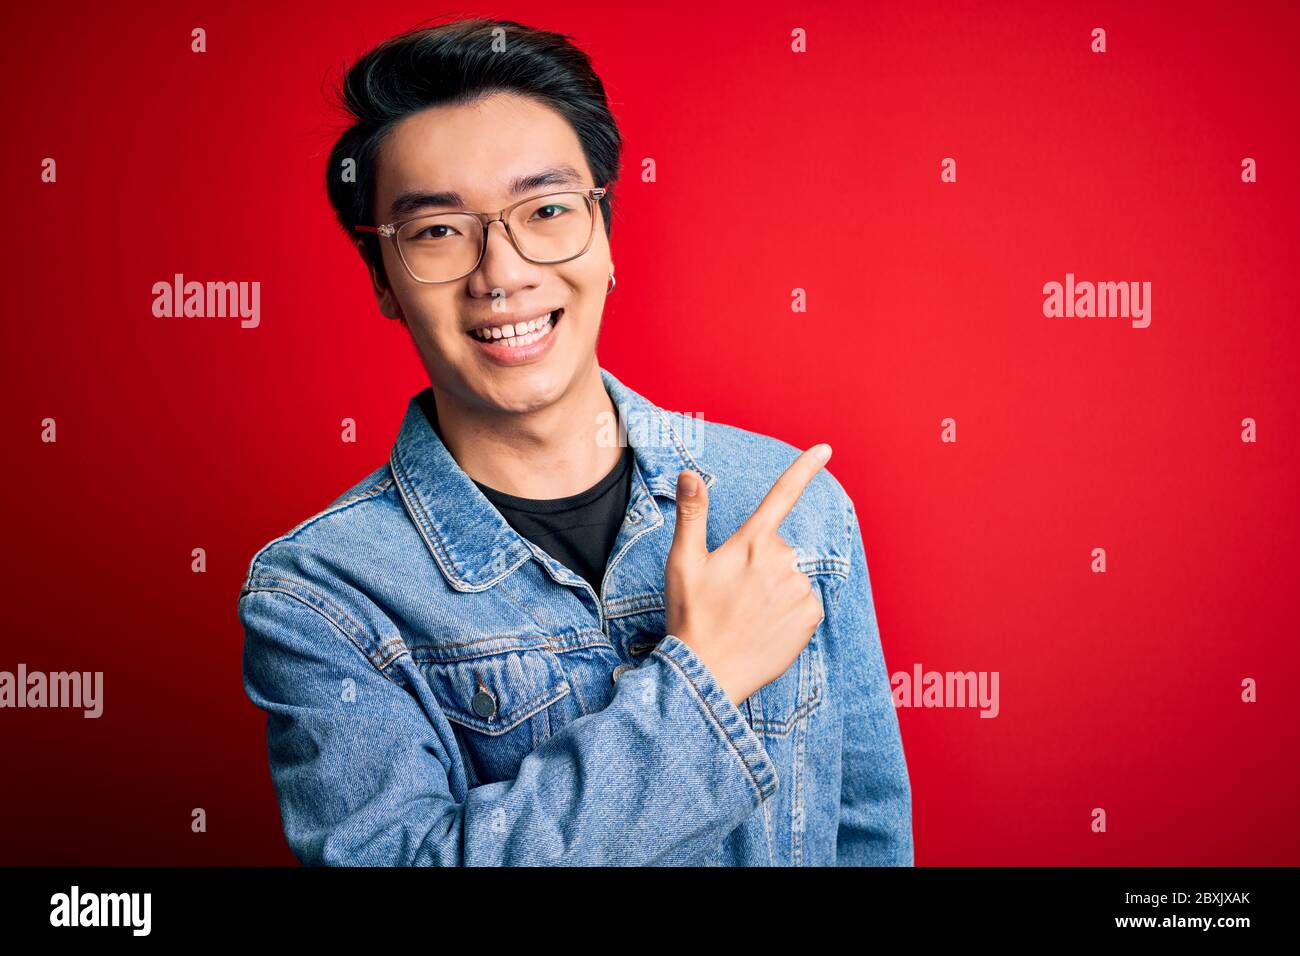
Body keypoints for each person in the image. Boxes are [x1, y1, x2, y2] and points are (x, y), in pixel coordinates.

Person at [238, 16, 913, 866]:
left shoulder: (789, 509)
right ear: (383, 279)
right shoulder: (322, 594)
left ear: (605, 234)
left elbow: (867, 835)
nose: (503, 272)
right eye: (438, 231)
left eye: (548, 210)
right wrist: (697, 691)